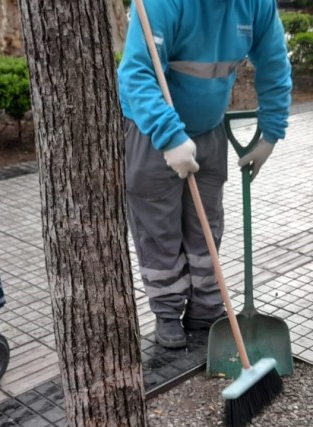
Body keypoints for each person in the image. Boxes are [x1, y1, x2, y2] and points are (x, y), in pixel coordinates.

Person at [118, 0, 292, 349]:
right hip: (154, 133)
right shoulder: (162, 3)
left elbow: (274, 63)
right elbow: (136, 73)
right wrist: (169, 136)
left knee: (206, 227)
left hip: (210, 132)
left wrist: (271, 133)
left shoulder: (255, 5)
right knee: (159, 230)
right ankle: (167, 313)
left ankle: (205, 307)